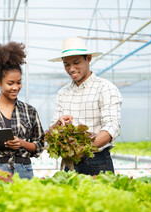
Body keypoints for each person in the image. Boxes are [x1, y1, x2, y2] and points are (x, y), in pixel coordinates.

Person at [48, 37, 123, 175]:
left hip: (96, 160)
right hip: (69, 162)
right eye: (66, 64)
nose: (71, 69)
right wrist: (58, 124)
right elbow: (52, 130)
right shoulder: (63, 93)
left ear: (88, 59)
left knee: (100, 196)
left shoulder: (105, 88)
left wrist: (84, 148)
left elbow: (112, 127)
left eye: (76, 62)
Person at [0, 41, 45, 180]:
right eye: (10, 83)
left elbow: (40, 145)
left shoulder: (30, 111)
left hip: (23, 171)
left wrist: (22, 143)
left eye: (19, 82)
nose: (15, 87)